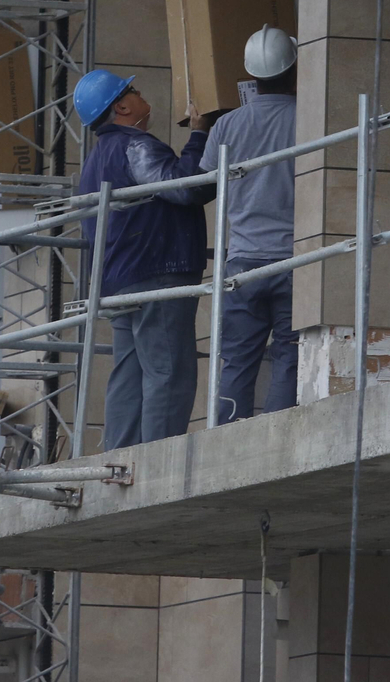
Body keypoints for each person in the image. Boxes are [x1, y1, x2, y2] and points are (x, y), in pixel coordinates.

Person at [76, 68, 215, 449]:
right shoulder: (135, 145)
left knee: (130, 372)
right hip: (156, 273)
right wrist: (201, 134)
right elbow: (185, 189)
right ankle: (159, 461)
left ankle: (118, 456)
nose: (138, 94)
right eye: (131, 91)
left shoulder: (95, 161)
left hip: (120, 282)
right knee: (169, 370)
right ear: (121, 106)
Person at [201, 25, 298, 424]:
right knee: (290, 354)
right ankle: (279, 435)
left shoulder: (226, 126)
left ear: (250, 74)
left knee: (238, 358)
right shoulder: (311, 119)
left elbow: (205, 183)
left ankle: (227, 435)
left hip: (242, 263)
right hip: (294, 260)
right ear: (295, 69)